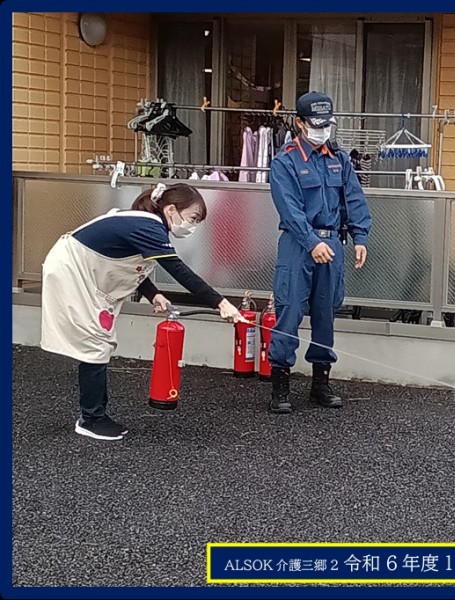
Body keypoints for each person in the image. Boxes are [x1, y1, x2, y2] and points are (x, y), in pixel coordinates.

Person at [41, 183, 241, 441]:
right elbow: (178, 271)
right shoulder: (149, 227)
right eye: (192, 218)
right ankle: (91, 419)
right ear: (171, 210)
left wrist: (154, 294)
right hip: (72, 273)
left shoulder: (145, 224)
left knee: (98, 343)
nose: (192, 227)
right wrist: (220, 303)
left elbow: (132, 262)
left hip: (81, 272)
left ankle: (94, 415)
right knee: (95, 343)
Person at [267, 91, 372, 414]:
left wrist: (360, 236)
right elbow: (289, 209)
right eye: (316, 124)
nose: (323, 130)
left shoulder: (339, 159)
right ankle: (280, 387)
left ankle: (320, 384)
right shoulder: (285, 161)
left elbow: (354, 199)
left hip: (333, 244)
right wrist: (312, 242)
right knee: (289, 312)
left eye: (327, 124)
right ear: (300, 123)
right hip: (298, 245)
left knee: (326, 315)